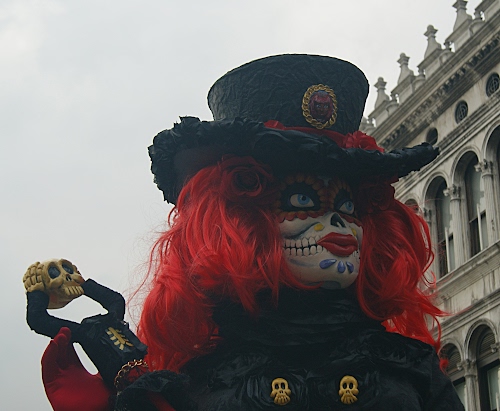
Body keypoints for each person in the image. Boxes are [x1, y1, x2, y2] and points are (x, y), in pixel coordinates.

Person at [28, 54, 465, 410]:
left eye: (348, 206)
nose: (338, 222)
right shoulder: (197, 383)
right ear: (238, 222)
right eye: (302, 200)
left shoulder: (410, 368)